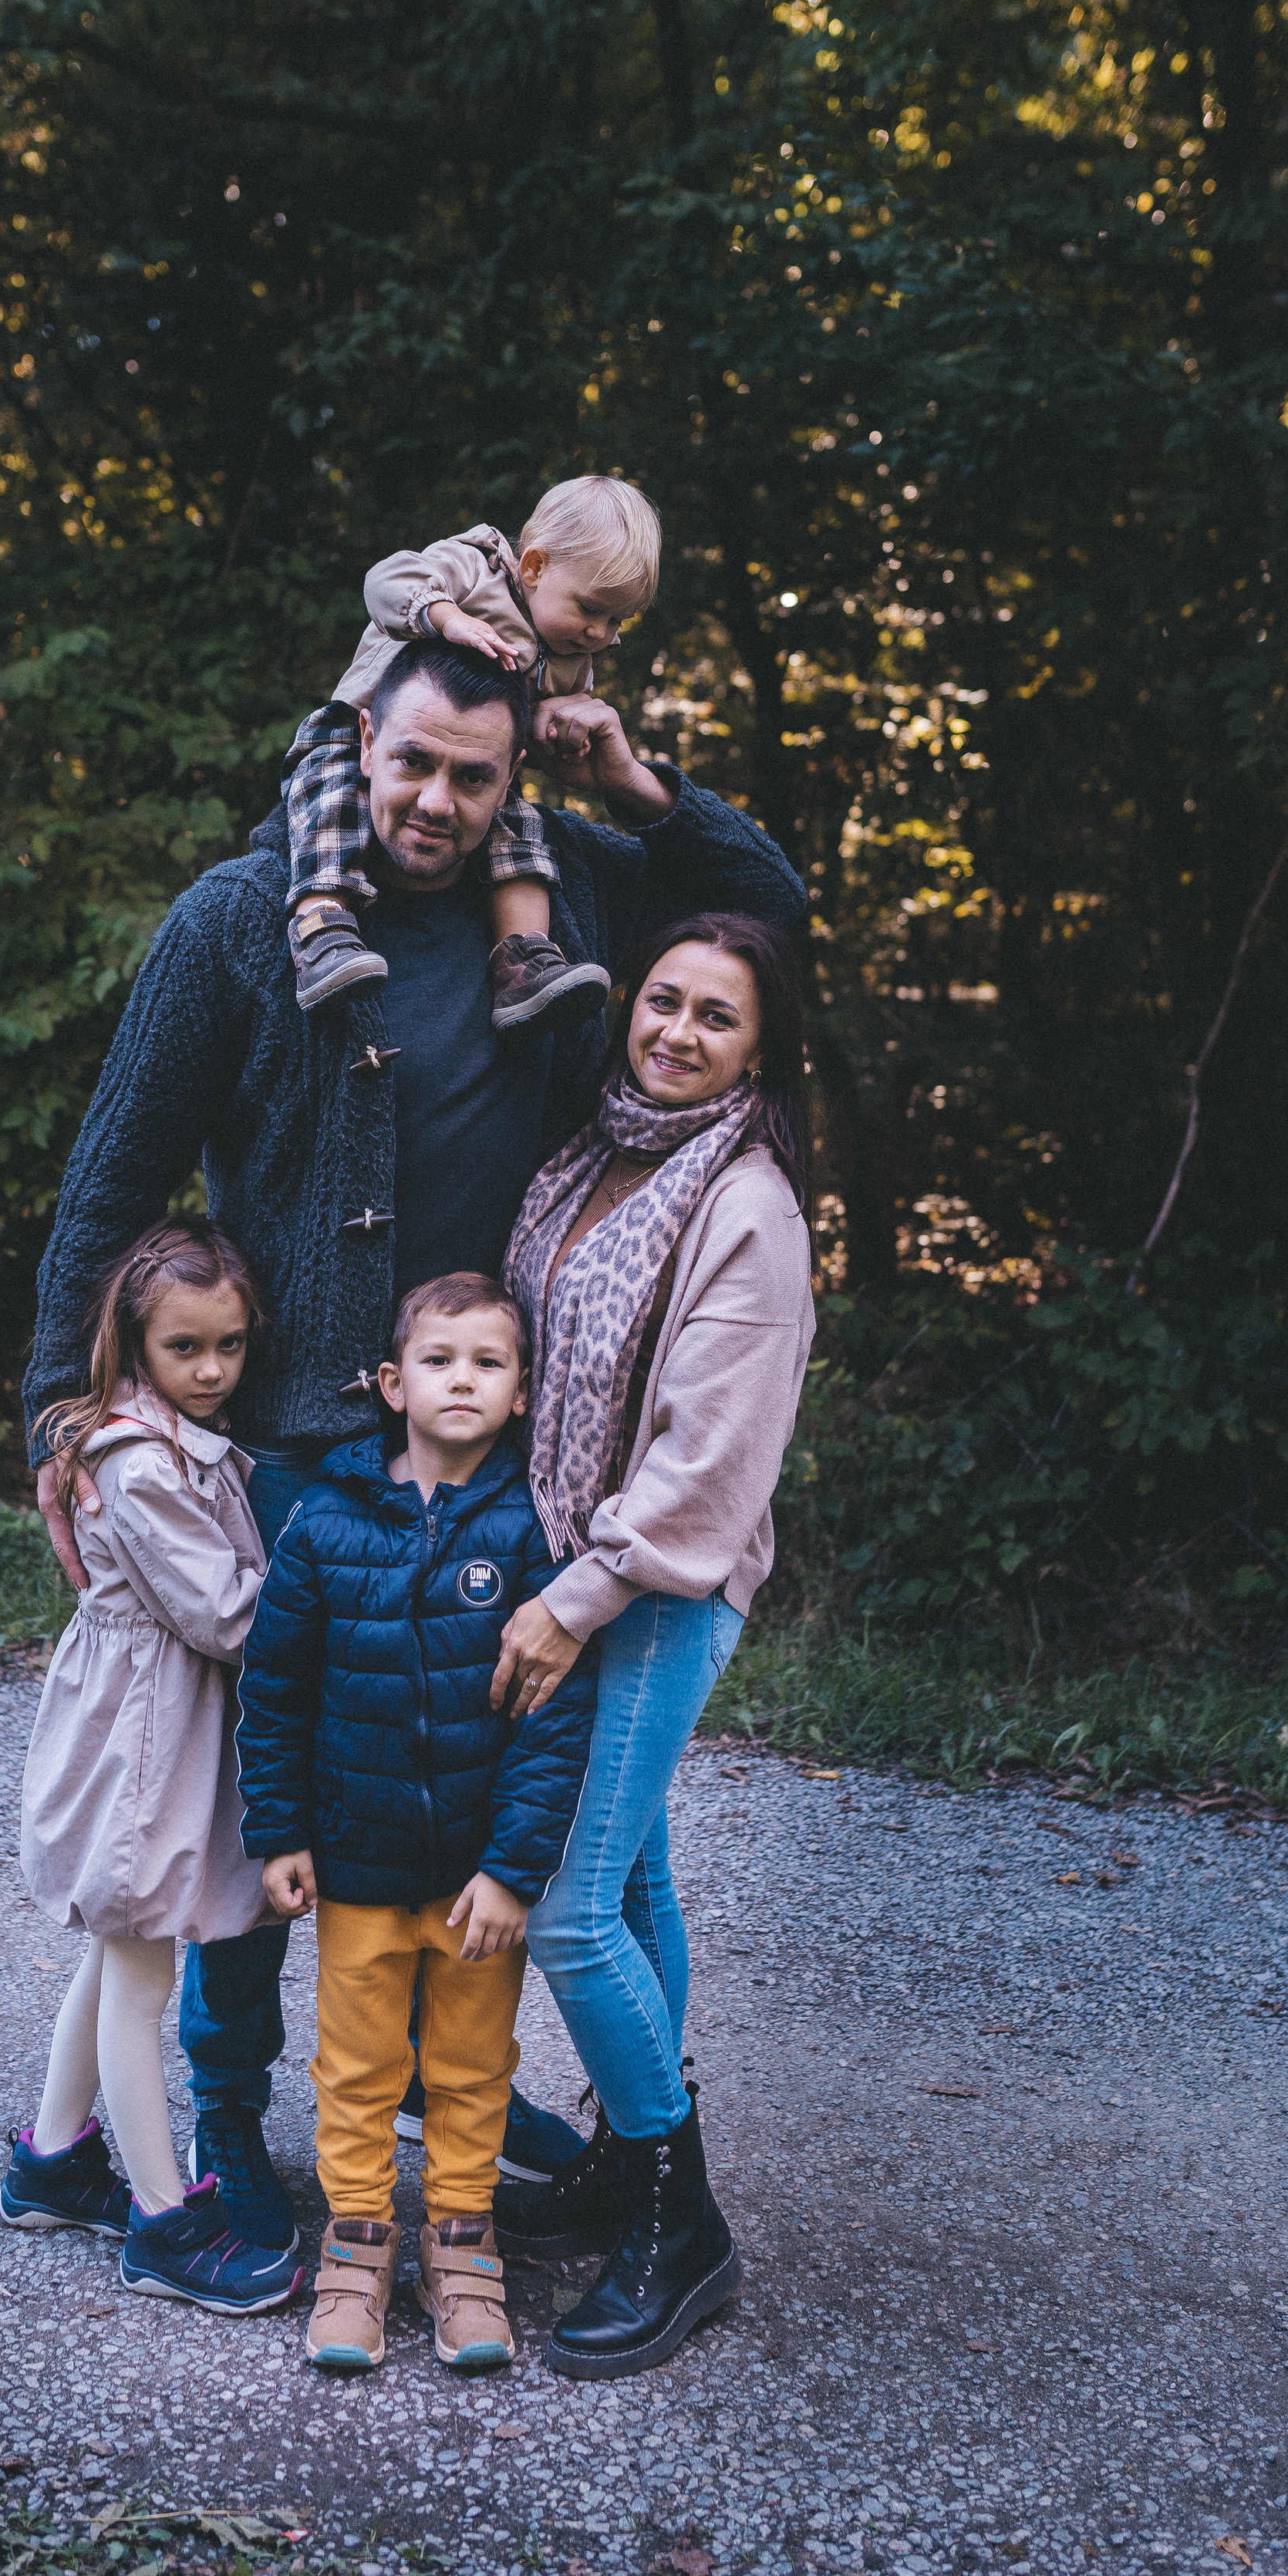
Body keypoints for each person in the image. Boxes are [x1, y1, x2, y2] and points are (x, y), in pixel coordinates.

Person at [22, 636, 804, 2254]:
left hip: (506, 1454)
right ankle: (227, 2118)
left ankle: (473, 2098)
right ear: (355, 749)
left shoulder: (564, 895)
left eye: (473, 774)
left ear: (507, 779)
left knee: (484, 1791)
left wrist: (629, 773)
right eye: (412, 765)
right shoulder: (240, 924)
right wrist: (60, 1411)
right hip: (301, 1450)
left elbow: (758, 907)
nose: (436, 802)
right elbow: (110, 1182)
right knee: (260, 1801)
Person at [488, 913, 817, 2379]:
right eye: (664, 1001)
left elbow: (709, 1456)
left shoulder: (748, 1205)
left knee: (562, 1906)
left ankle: (681, 2225)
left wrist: (579, 1594)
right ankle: (627, 2167)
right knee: (627, 1876)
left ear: (762, 1049)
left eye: (717, 1019)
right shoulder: (595, 1151)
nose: (677, 1032)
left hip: (660, 1586)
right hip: (584, 1559)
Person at [235, 1273, 595, 2375]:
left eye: (489, 1364)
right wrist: (278, 1831)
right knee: (353, 2067)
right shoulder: (323, 1522)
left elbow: (554, 1719)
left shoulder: (532, 1529)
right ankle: (355, 2248)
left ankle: (460, 2243)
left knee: (471, 2065)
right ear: (394, 1383)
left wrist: (516, 1871)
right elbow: (276, 1687)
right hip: (355, 1866)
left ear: (523, 1392)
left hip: (476, 1884)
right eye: (440, 1361)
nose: (462, 1381)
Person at [2, 1221, 304, 2315]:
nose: (216, 1371)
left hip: (152, 1726)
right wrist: (331, 1612)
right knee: (139, 1978)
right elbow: (225, 1612)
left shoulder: (163, 1433)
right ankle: (164, 2225)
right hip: (139, 1743)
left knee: (117, 1950)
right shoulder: (137, 1460)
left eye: (231, 1345)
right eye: (187, 1349)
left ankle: (49, 2159)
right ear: (133, 1345)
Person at [282, 477, 660, 1031]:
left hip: (480, 773)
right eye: (590, 609)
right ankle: (321, 932)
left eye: (617, 621)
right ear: (533, 569)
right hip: (350, 733)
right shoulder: (476, 568)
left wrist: (570, 731)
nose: (599, 632)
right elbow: (386, 581)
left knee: (521, 833)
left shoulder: (570, 657)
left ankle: (523, 959)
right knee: (331, 806)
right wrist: (445, 616)